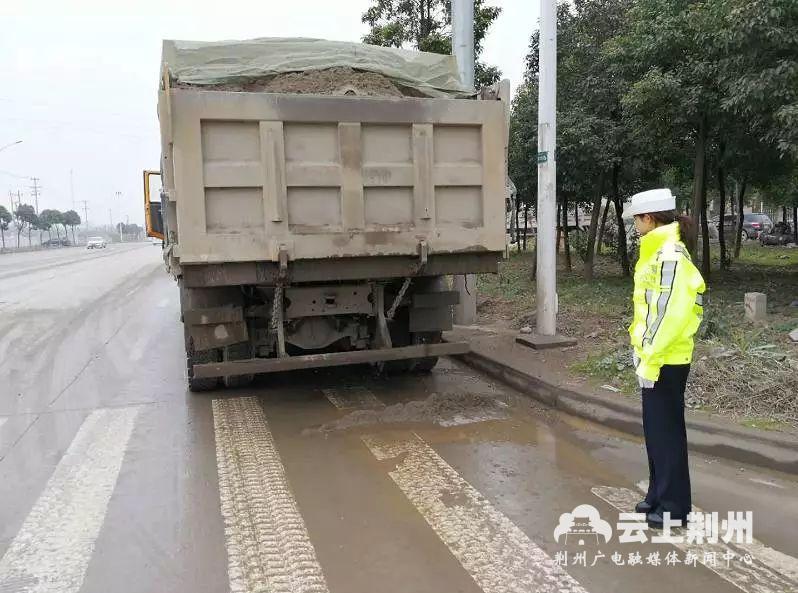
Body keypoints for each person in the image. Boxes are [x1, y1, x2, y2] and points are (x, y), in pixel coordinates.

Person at [624, 188, 706, 528]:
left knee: (667, 432)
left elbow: (667, 315)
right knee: (656, 430)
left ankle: (673, 507)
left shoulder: (668, 256)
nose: (634, 226)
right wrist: (640, 350)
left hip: (667, 359)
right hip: (655, 356)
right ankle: (658, 494)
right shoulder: (655, 252)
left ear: (648, 218)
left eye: (636, 220)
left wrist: (651, 358)